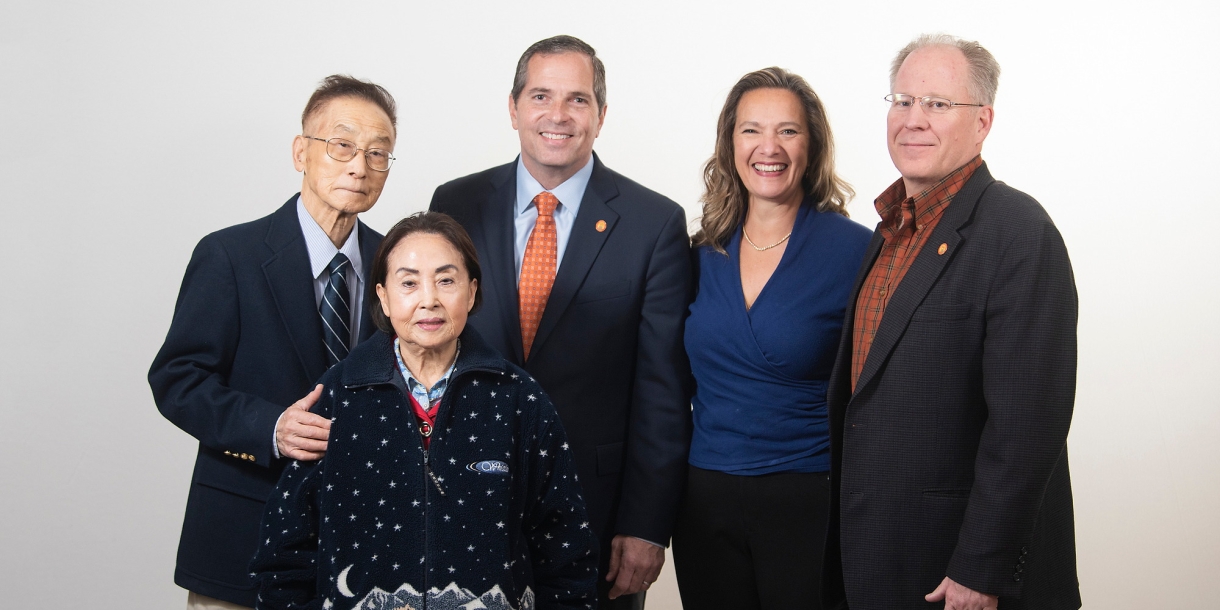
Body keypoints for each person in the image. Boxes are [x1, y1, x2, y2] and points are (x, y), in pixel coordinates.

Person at [429, 35, 693, 609]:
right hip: (464, 501)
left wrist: (646, 524)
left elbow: (663, 392)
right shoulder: (455, 204)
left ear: (601, 115)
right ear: (513, 106)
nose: (558, 115)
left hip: (594, 515)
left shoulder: (654, 224)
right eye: (541, 95)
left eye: (577, 99)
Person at [821, 34, 1081, 610]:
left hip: (959, 576)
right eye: (902, 100)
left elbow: (1028, 426)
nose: (913, 119)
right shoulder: (890, 231)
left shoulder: (1018, 232)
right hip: (880, 557)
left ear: (983, 120)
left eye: (938, 104)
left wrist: (980, 570)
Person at [250, 212, 597, 610]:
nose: (428, 299)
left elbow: (567, 547)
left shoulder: (520, 399)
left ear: (471, 292)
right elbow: (284, 551)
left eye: (446, 281)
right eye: (409, 283)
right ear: (382, 295)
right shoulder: (336, 395)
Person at [149, 75, 398, 609]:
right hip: (244, 533)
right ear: (300, 152)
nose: (360, 165)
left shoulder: (397, 265)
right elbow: (177, 380)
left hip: (365, 549)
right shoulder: (230, 256)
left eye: (378, 153)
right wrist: (271, 428)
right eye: (343, 145)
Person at [670, 67, 871, 610]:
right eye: (751, 129)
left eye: (788, 131)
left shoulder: (858, 252)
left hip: (809, 499)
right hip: (705, 501)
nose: (769, 147)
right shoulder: (699, 252)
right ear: (729, 143)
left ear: (813, 145)